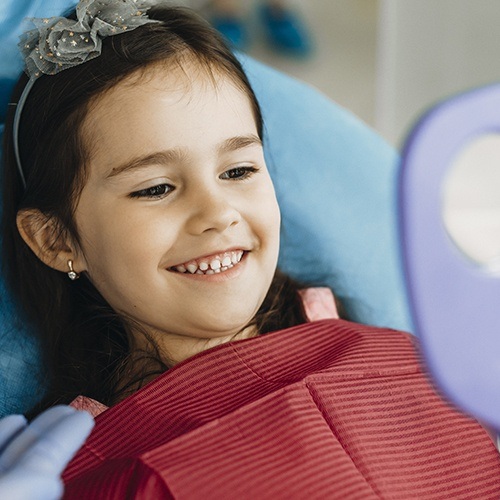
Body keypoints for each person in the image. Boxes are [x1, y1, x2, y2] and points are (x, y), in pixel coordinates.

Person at [1, 0, 499, 497]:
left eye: (238, 171)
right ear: (57, 238)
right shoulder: (89, 466)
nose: (218, 214)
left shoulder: (414, 355)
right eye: (155, 188)